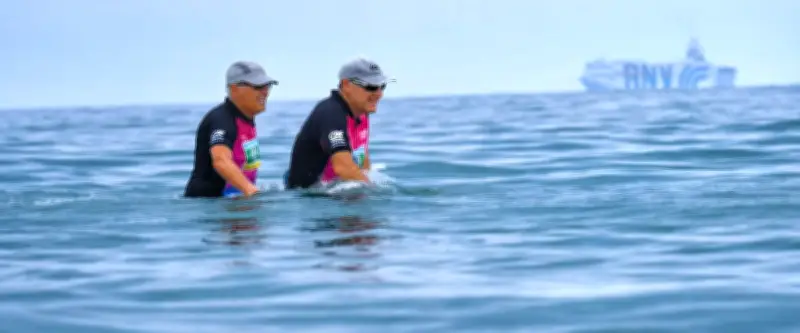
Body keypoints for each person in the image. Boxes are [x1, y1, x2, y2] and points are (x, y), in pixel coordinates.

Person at [284, 57, 392, 189]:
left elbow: (362, 157)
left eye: (382, 86)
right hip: (309, 199)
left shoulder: (362, 112)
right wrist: (374, 193)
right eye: (371, 87)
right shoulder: (331, 114)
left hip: (333, 192)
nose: (379, 94)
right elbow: (343, 168)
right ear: (346, 85)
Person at [183, 61, 278, 198]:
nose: (265, 92)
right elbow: (221, 160)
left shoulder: (246, 120)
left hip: (235, 204)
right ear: (234, 89)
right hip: (212, 207)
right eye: (258, 86)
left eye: (267, 86)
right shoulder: (222, 120)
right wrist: (252, 192)